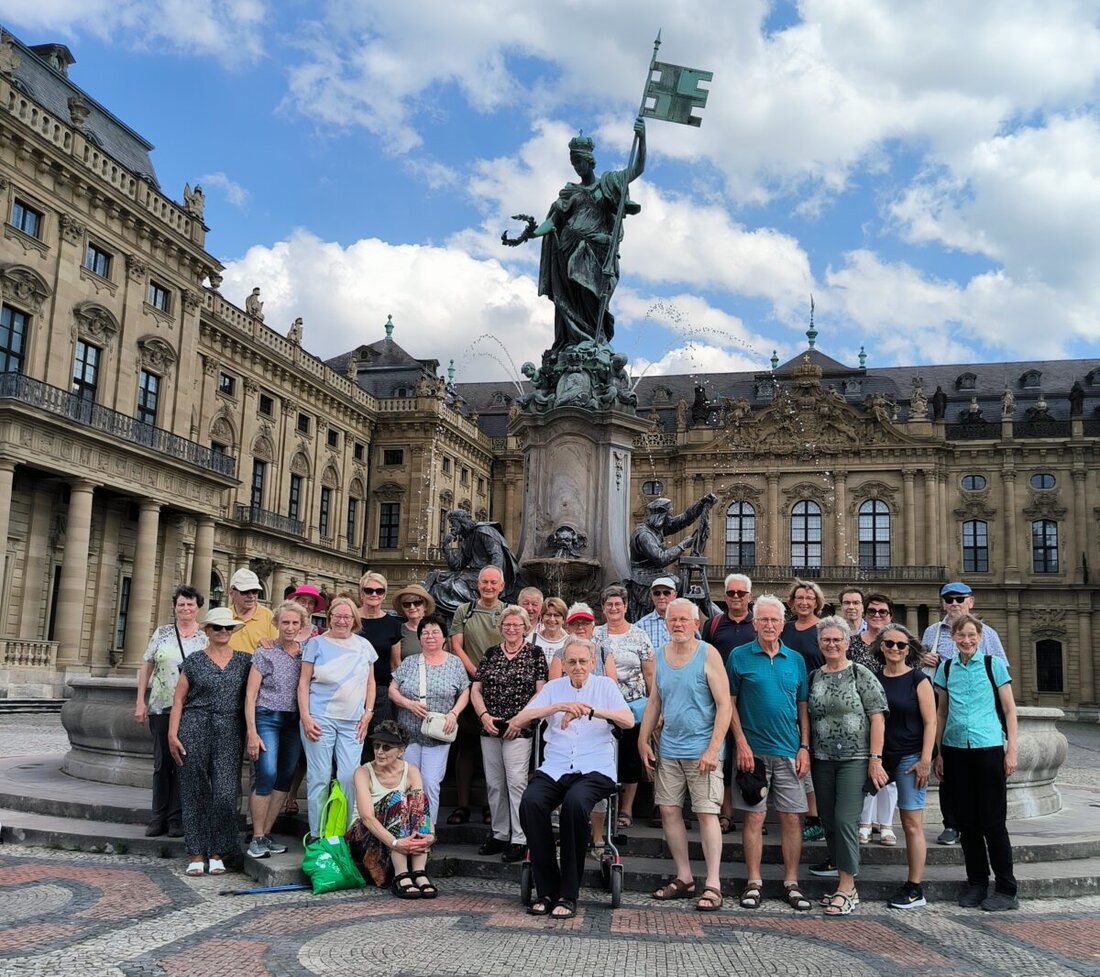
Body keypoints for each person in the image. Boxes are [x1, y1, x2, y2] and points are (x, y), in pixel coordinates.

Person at [515, 636, 634, 919]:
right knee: (530, 803)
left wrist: (592, 711)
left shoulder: (605, 686)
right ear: (563, 664)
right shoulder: (554, 688)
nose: (578, 667)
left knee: (575, 804)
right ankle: (545, 889)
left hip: (595, 769)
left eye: (583, 661)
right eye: (572, 662)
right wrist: (556, 707)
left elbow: (628, 720)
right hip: (555, 767)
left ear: (593, 663)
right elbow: (519, 720)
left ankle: (568, 894)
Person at [505, 121, 646, 352]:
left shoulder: (609, 183)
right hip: (568, 251)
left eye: (579, 161)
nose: (576, 167)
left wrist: (642, 138)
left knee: (593, 298)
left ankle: (596, 340)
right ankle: (576, 343)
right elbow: (552, 222)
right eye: (573, 163)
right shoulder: (570, 192)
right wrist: (529, 234)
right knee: (571, 301)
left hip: (598, 253)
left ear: (590, 160)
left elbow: (637, 168)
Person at [640, 598, 731, 912]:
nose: (677, 624)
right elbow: (654, 702)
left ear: (696, 624)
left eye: (683, 620)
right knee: (668, 812)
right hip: (670, 749)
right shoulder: (660, 656)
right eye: (672, 619)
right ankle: (684, 877)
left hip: (702, 751)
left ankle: (714, 883)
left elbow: (724, 705)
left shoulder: (708, 653)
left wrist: (712, 748)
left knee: (706, 813)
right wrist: (643, 740)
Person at [726, 594, 812, 911]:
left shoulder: (796, 660)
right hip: (753, 755)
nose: (769, 625)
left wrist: (804, 746)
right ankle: (754, 882)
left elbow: (802, 708)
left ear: (782, 624)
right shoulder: (738, 657)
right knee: (754, 817)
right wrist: (741, 744)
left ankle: (791, 882)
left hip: (790, 750)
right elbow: (729, 705)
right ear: (754, 624)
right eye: (763, 620)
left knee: (791, 818)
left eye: (774, 620)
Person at [934, 613, 1018, 912]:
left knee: (993, 822)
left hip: (989, 747)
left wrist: (1011, 751)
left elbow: (1009, 710)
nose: (967, 640)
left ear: (980, 637)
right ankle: (977, 883)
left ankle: (1006, 888)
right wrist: (940, 752)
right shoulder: (945, 668)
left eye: (971, 635)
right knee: (967, 822)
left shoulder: (992, 665)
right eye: (961, 635)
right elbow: (941, 712)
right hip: (956, 749)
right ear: (953, 638)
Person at [806, 616, 889, 915]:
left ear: (847, 642)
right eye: (826, 639)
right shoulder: (815, 676)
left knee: (844, 820)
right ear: (819, 643)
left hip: (855, 758)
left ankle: (848, 887)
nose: (831, 644)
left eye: (836, 639)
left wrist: (875, 760)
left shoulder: (861, 674)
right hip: (822, 759)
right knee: (828, 820)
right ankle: (842, 881)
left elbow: (877, 717)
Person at [921, 581, 1008, 846]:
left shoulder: (988, 634)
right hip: (942, 704)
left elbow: (1001, 670)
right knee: (945, 769)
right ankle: (952, 824)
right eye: (949, 599)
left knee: (980, 777)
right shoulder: (932, 632)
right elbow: (919, 665)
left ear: (971, 601)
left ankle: (982, 823)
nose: (954, 603)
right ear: (942, 603)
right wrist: (923, 659)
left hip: (979, 712)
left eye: (960, 598)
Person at [167, 606, 252, 876]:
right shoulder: (193, 661)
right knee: (194, 790)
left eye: (228, 628)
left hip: (229, 728)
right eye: (217, 627)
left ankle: (219, 850)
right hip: (194, 726)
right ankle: (196, 852)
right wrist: (172, 734)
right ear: (208, 631)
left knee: (226, 793)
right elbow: (178, 699)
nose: (223, 632)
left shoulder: (245, 661)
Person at [470, 605, 548, 861]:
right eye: (507, 625)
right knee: (494, 783)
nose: (511, 629)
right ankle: (500, 833)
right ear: (501, 627)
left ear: (526, 627)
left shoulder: (535, 654)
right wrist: (483, 715)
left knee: (516, 782)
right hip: (490, 724)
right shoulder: (491, 653)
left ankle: (520, 837)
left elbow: (541, 691)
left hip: (519, 727)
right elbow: (476, 689)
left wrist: (520, 720)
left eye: (516, 625)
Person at [298, 596, 378, 841]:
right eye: (337, 616)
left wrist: (368, 712)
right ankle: (318, 833)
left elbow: (370, 682)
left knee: (348, 776)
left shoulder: (364, 646)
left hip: (353, 721)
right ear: (329, 617)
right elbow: (303, 683)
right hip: (319, 719)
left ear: (354, 619)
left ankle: (342, 832)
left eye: (347, 616)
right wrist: (305, 717)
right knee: (319, 776)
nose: (342, 621)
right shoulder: (315, 644)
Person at [869, 624, 936, 909]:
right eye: (889, 644)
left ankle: (915, 886)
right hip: (878, 757)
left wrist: (925, 760)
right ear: (880, 647)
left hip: (910, 758)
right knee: (846, 813)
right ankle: (841, 867)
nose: (895, 649)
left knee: (911, 823)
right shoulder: (872, 678)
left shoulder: (918, 680)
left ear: (909, 650)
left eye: (901, 645)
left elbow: (931, 721)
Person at [135, 584, 207, 838]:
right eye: (181, 604)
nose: (185, 608)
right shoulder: (163, 633)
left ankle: (177, 818)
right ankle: (158, 816)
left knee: (183, 763)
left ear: (198, 607)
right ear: (175, 608)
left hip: (192, 709)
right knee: (162, 763)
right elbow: (147, 665)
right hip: (160, 706)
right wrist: (140, 701)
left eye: (190, 604)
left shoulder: (204, 637)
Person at [389, 614, 470, 824]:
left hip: (438, 734)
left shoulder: (454, 663)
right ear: (419, 638)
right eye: (425, 633)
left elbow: (465, 691)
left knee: (431, 783)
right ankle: (407, 828)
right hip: (409, 732)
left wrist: (454, 713)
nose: (430, 636)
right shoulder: (409, 662)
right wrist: (409, 704)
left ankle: (427, 830)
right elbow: (392, 690)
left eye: (435, 632)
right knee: (408, 783)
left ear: (444, 637)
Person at [243, 600, 307, 858]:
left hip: (294, 721)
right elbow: (250, 695)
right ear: (276, 624)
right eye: (285, 622)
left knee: (285, 775)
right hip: (266, 716)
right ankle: (256, 836)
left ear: (302, 626)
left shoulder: (307, 653)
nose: (289, 627)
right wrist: (251, 731)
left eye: (294, 623)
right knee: (266, 773)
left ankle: (266, 835)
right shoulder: (265, 652)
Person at [346, 721, 437, 897]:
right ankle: (401, 874)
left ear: (401, 751)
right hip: (364, 835)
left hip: (400, 832)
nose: (379, 752)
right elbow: (366, 817)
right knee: (398, 798)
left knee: (418, 798)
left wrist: (431, 836)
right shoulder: (363, 772)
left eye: (386, 747)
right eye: (377, 746)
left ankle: (419, 872)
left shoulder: (411, 771)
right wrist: (395, 843)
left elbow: (421, 809)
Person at [448, 564, 507, 826]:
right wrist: (475, 671)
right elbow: (455, 645)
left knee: (492, 750)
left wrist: (490, 674)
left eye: (494, 583)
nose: (489, 587)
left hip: (498, 687)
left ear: (502, 586)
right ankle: (462, 804)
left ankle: (488, 804)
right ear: (478, 584)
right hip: (468, 683)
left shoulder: (507, 612)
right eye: (485, 582)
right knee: (466, 747)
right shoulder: (465, 610)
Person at [592, 584, 653, 829]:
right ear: (603, 609)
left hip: (633, 708)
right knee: (602, 757)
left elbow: (650, 674)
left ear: (626, 607)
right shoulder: (595, 635)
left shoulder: (639, 635)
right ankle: (603, 806)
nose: (614, 608)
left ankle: (626, 809)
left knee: (630, 758)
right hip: (601, 709)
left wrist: (654, 707)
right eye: (609, 605)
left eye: (618, 604)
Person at [706, 572, 755, 833]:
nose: (736, 597)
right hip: (719, 698)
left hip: (751, 697)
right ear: (724, 597)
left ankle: (752, 812)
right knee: (724, 754)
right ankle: (726, 813)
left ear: (749, 596)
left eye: (741, 593)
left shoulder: (758, 624)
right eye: (731, 593)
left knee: (751, 755)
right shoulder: (714, 625)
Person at [852, 594, 899, 847]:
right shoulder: (853, 643)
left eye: (882, 612)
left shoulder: (898, 642)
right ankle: (864, 823)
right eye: (872, 611)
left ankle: (886, 824)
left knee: (888, 771)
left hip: (891, 715)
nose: (877, 615)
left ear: (890, 615)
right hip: (859, 716)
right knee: (864, 770)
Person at [782, 578, 825, 841]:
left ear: (817, 602)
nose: (805, 602)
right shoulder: (785, 629)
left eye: (809, 598)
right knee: (798, 759)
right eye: (800, 598)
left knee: (815, 759)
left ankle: (816, 816)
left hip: (817, 701)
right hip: (789, 701)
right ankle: (806, 814)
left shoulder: (824, 629)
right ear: (792, 602)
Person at [627, 494, 716, 619]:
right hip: (643, 579)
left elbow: (684, 518)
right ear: (661, 515)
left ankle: (717, 619)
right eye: (669, 513)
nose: (671, 517)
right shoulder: (644, 535)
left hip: (655, 575)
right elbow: (661, 559)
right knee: (683, 586)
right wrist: (682, 545)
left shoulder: (657, 528)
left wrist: (701, 504)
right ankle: (714, 618)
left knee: (690, 589)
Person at [424, 509, 519, 614]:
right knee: (435, 575)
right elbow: (457, 566)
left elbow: (497, 556)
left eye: (453, 522)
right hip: (473, 575)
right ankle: (421, 601)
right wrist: (446, 546)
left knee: (442, 587)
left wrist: (491, 580)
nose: (451, 526)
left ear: (461, 521)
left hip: (486, 576)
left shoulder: (483, 531)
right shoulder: (467, 539)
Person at [358, 572, 402, 727]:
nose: (374, 594)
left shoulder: (393, 624)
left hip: (381, 690)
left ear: (384, 595)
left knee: (381, 739)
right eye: (369, 590)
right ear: (361, 593)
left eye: (379, 591)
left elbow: (395, 664)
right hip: (351, 689)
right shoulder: (349, 619)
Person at [548, 603, 618, 682]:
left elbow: (612, 687)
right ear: (568, 629)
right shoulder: (560, 655)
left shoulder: (604, 654)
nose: (580, 627)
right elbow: (553, 688)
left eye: (585, 623)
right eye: (575, 623)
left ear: (593, 627)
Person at [226, 568, 277, 654]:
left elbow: (277, 650)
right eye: (245, 591)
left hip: (256, 667)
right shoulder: (224, 616)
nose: (251, 596)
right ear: (231, 593)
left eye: (255, 591)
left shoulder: (268, 616)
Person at [391, 583, 435, 665]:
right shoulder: (398, 631)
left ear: (425, 606)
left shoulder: (437, 630)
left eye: (417, 603)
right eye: (407, 604)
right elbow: (395, 664)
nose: (412, 607)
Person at [636, 576, 678, 652]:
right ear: (651, 596)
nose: (661, 597)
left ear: (674, 595)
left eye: (666, 593)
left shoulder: (686, 622)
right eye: (657, 593)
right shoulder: (640, 626)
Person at [531, 596, 568, 669]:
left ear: (563, 619)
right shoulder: (531, 639)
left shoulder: (569, 642)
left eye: (556, 615)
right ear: (542, 617)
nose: (552, 619)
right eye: (548, 615)